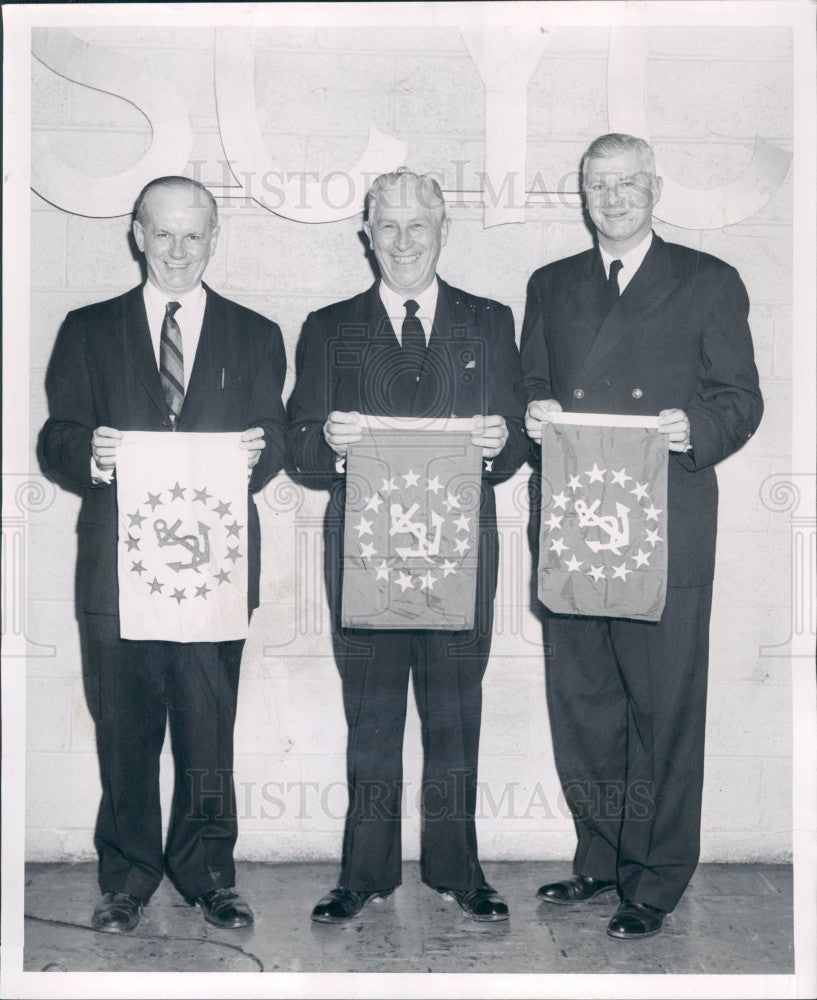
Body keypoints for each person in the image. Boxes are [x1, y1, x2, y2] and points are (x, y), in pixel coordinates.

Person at [520, 134, 763, 939]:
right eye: (598, 183)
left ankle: (654, 879)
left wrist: (691, 427)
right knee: (584, 704)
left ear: (654, 188)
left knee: (661, 709)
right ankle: (600, 856)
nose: (613, 197)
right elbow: (533, 382)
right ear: (580, 193)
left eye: (628, 183)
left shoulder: (706, 281)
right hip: (573, 527)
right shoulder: (549, 285)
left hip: (664, 525)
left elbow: (738, 399)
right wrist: (532, 412)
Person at [39, 176, 288, 934]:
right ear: (137, 234)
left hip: (214, 571)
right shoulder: (87, 328)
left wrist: (259, 452)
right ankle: (127, 878)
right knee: (125, 731)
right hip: (119, 574)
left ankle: (209, 875)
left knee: (209, 733)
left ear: (213, 239)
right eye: (164, 233)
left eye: (194, 235)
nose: (178, 251)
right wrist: (93, 452)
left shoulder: (255, 334)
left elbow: (274, 438)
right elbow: (56, 439)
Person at [287, 167, 528, 923]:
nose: (401, 242)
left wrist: (501, 441)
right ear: (366, 236)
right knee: (372, 713)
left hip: (461, 556)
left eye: (416, 226)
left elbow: (519, 440)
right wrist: (325, 440)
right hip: (364, 558)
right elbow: (295, 449)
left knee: (456, 711)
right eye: (385, 227)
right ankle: (364, 873)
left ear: (442, 231)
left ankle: (458, 868)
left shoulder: (490, 322)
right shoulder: (327, 327)